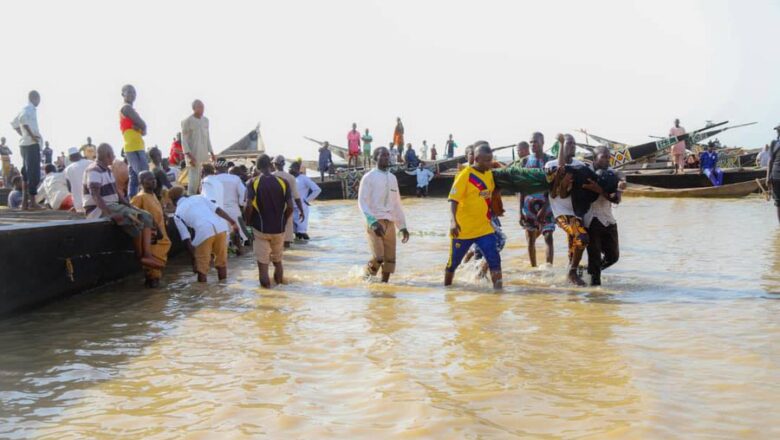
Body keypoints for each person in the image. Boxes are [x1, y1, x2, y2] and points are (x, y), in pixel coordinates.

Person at [84, 143, 164, 271]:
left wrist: (130, 205)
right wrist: (110, 214)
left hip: (114, 205)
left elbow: (117, 194)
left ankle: (147, 255)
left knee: (145, 216)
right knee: (135, 218)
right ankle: (142, 257)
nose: (114, 157)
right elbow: (95, 195)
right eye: (113, 155)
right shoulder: (94, 170)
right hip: (99, 209)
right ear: (108, 155)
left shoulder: (108, 170)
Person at [445, 142, 502, 289]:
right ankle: (447, 293)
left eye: (491, 159)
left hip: (484, 228)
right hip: (464, 230)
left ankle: (499, 294)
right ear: (476, 159)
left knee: (495, 260)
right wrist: (453, 222)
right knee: (453, 264)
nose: (490, 163)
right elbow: (453, 199)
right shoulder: (465, 175)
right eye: (487, 160)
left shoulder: (489, 173)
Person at [544, 134, 597, 286]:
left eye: (574, 144)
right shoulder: (550, 165)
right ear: (561, 146)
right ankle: (572, 273)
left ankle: (572, 292)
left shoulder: (580, 165)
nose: (572, 146)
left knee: (574, 247)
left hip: (578, 212)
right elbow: (554, 192)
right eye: (568, 144)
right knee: (582, 238)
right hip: (561, 212)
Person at [358, 147, 410, 282]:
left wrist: (402, 226)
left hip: (390, 223)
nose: (387, 158)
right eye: (383, 155)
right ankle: (365, 279)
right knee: (378, 258)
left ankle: (383, 288)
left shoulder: (392, 178)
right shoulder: (368, 177)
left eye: (388, 155)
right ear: (376, 158)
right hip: (374, 222)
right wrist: (372, 222)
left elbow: (397, 204)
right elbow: (362, 202)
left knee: (390, 260)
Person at [244, 154, 293, 288]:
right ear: (271, 166)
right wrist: (283, 221)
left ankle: (268, 298)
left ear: (258, 167)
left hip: (260, 230)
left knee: (263, 266)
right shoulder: (283, 182)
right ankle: (280, 290)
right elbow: (290, 206)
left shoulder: (252, 182)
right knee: (278, 262)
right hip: (279, 229)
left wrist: (247, 222)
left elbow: (248, 206)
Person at [170, 186, 237, 282]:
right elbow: (218, 210)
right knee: (221, 263)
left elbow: (186, 238)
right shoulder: (199, 197)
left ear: (173, 201)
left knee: (202, 269)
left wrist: (194, 258)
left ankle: (202, 293)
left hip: (204, 232)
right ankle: (223, 287)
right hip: (221, 228)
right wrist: (232, 222)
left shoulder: (177, 214)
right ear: (184, 194)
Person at [584, 147, 622, 286]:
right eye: (603, 157)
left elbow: (616, 199)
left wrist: (599, 189)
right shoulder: (585, 174)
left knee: (613, 257)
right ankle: (595, 295)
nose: (607, 160)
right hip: (591, 220)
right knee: (594, 258)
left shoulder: (614, 174)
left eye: (608, 157)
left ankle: (586, 271)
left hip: (608, 218)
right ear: (594, 159)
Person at [519, 133, 555, 267]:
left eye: (536, 142)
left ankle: (548, 269)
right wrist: (520, 211)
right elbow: (521, 187)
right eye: (531, 142)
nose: (533, 145)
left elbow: (554, 188)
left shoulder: (551, 161)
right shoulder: (525, 161)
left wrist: (545, 208)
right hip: (529, 206)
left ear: (543, 142)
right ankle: (533, 268)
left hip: (547, 204)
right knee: (530, 241)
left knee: (548, 237)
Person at [131, 171, 172, 287]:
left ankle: (154, 302)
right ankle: (154, 301)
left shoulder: (153, 195)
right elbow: (132, 216)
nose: (153, 181)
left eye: (153, 179)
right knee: (153, 274)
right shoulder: (140, 197)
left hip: (161, 240)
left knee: (156, 274)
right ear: (141, 182)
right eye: (149, 179)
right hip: (152, 242)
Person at [10, 90, 43, 210]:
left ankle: (25, 203)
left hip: (25, 144)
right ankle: (32, 203)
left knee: (25, 174)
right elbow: (23, 121)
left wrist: (23, 135)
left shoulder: (23, 109)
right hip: (31, 144)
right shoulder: (29, 108)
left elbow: (14, 124)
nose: (39, 102)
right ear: (35, 98)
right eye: (39, 100)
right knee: (33, 174)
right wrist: (31, 136)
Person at [119, 85, 149, 198]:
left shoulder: (129, 109)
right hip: (134, 146)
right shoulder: (126, 108)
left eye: (134, 93)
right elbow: (143, 125)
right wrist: (142, 128)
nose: (132, 95)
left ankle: (132, 201)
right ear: (123, 94)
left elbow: (143, 129)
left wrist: (142, 129)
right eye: (129, 92)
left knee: (134, 178)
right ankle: (146, 199)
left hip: (134, 145)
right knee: (143, 175)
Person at [181, 99, 215, 195]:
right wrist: (189, 156)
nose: (202, 109)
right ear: (194, 108)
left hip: (204, 154)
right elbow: (184, 140)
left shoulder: (206, 120)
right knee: (194, 180)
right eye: (199, 107)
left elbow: (208, 137)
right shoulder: (187, 121)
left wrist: (212, 153)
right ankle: (191, 199)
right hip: (193, 155)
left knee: (205, 178)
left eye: (203, 107)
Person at [213, 160, 249, 250]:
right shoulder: (235, 178)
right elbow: (244, 193)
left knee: (223, 239)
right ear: (226, 168)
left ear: (216, 168)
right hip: (234, 210)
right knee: (241, 237)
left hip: (218, 212)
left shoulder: (212, 180)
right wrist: (242, 203)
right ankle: (239, 250)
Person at [272, 155, 305, 247]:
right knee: (287, 238)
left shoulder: (270, 176)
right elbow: (296, 196)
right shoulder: (290, 177)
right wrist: (301, 210)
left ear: (274, 164)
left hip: (272, 208)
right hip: (287, 208)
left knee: (274, 237)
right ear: (284, 164)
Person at [290, 161, 322, 240]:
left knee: (302, 232)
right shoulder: (290, 179)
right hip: (291, 209)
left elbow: (317, 190)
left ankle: (309, 246)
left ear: (296, 169)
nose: (289, 170)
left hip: (302, 209)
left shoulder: (304, 179)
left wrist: (306, 200)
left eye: (291, 169)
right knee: (295, 233)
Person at [64, 147, 91, 213]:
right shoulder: (90, 163)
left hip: (79, 207)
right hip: (94, 203)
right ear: (79, 154)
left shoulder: (67, 169)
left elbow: (69, 189)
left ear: (70, 158)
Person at [767, 123, 780, 223]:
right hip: (776, 176)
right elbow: (770, 160)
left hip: (775, 176)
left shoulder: (774, 143)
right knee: (778, 203)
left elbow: (770, 161)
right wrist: (768, 177)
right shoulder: (774, 143)